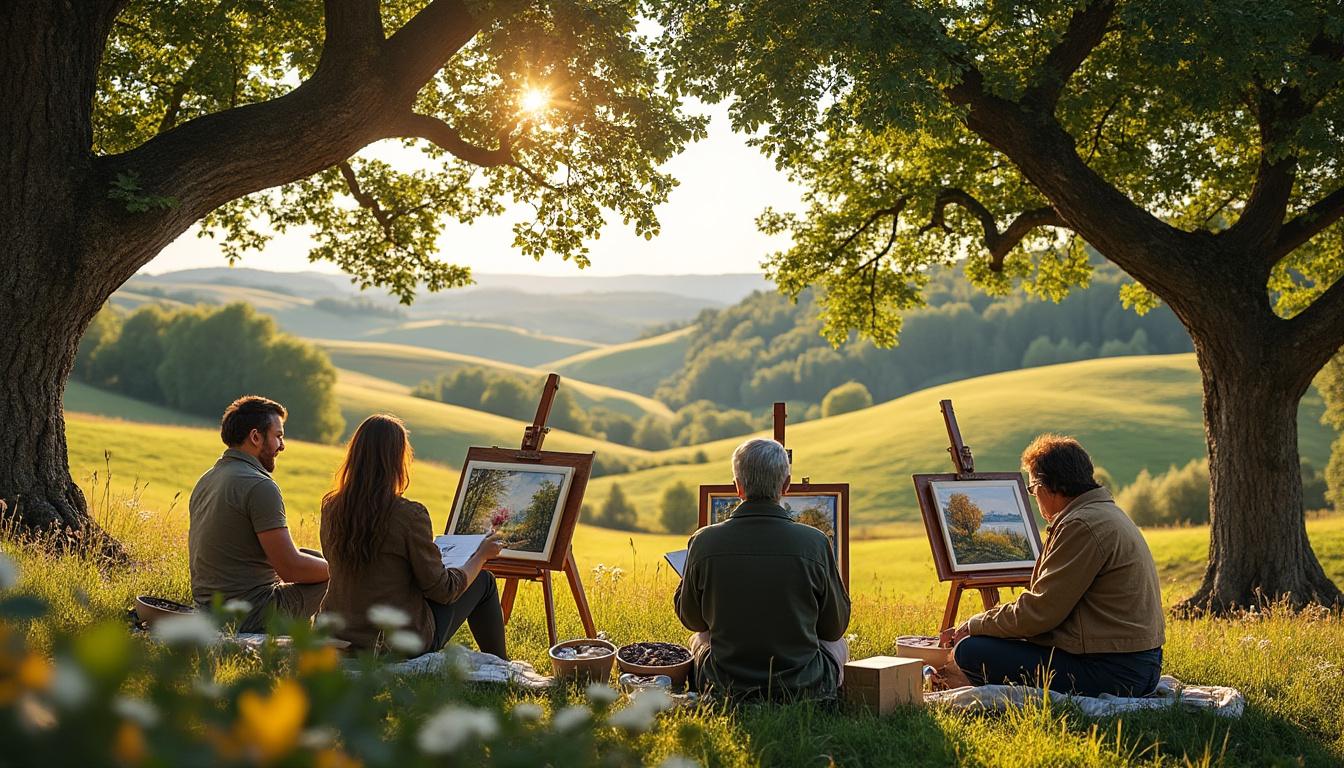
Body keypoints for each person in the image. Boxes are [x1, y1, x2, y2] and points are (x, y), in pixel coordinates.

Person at [941, 434, 1165, 697]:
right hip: (1134, 665)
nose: (1035, 499)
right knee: (990, 643)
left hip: (1115, 672)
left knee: (971, 650)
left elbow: (1039, 613)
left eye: (1032, 490)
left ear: (1047, 487)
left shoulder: (1081, 525)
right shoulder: (1103, 513)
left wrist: (975, 624)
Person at [318, 414, 508, 658]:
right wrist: (480, 556)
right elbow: (444, 590)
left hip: (337, 634)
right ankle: (502, 665)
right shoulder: (408, 515)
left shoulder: (331, 507)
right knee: (484, 581)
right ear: (397, 461)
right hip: (394, 641)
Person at [675, 438, 850, 700]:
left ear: (737, 487)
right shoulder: (815, 542)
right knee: (839, 645)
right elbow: (834, 628)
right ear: (786, 486)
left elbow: (692, 621)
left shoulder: (703, 541)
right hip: (805, 685)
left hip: (723, 683)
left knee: (699, 639)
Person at [189, 395, 330, 632]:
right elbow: (290, 569)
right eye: (278, 436)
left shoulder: (208, 478)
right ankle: (337, 640)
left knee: (313, 557)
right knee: (336, 576)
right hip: (250, 614)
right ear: (256, 437)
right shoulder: (259, 485)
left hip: (208, 609)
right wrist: (343, 570)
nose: (282, 446)